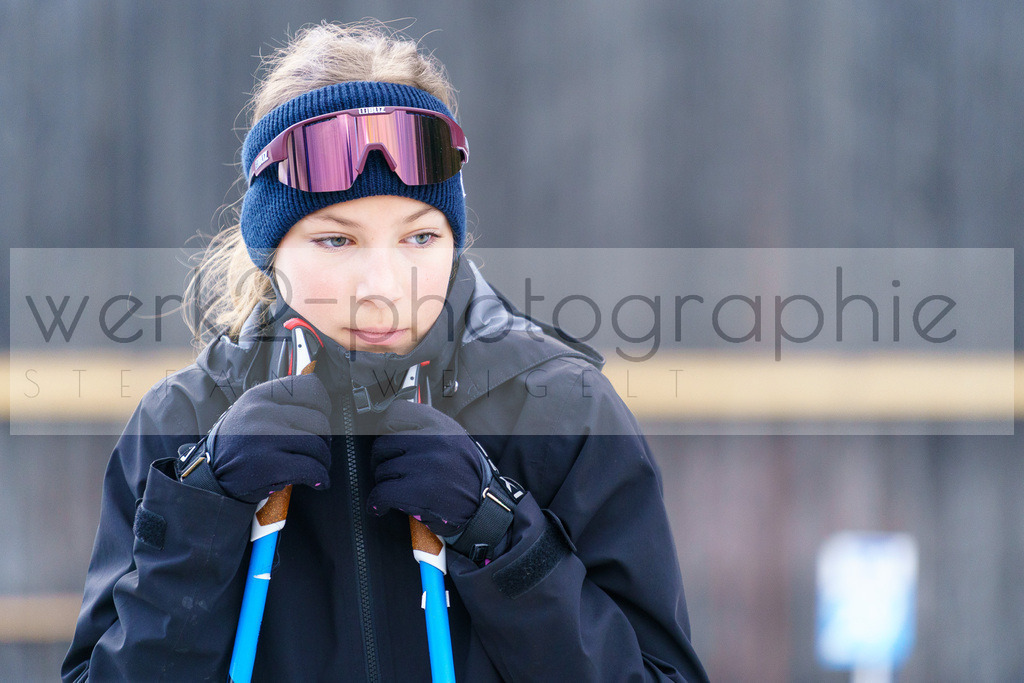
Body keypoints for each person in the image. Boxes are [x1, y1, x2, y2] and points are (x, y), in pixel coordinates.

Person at [62, 21, 709, 682]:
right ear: (270, 248)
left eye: (420, 237)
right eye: (336, 240)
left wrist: (501, 534)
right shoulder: (181, 422)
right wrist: (203, 510)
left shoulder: (561, 409)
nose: (383, 289)